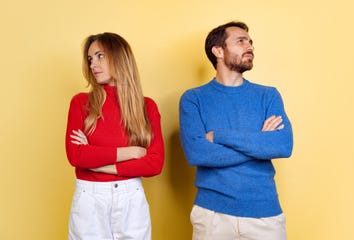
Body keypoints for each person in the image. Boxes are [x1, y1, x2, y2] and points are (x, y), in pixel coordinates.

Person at [179, 21, 293, 240]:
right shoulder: (194, 99)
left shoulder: (268, 96)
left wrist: (220, 136)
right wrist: (260, 143)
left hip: (264, 214)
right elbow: (197, 153)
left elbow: (283, 145)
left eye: (250, 42)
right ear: (218, 51)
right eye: (241, 41)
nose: (249, 46)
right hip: (212, 215)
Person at [65, 32, 164, 240]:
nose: (93, 65)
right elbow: (77, 156)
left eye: (100, 56)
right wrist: (132, 152)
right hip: (89, 198)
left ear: (119, 58)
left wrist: (98, 162)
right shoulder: (81, 103)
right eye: (90, 59)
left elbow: (154, 164)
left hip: (131, 197)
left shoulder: (146, 106)